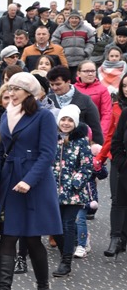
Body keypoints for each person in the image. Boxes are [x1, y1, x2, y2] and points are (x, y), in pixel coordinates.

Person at [0, 73, 62, 290]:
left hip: (34, 182)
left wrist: (29, 181)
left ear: (29, 93)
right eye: (9, 89)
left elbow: (47, 154)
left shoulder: (43, 116)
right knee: (8, 236)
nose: (11, 93)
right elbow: (1, 150)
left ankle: (43, 288)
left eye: (16, 89)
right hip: (10, 179)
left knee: (31, 237)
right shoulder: (6, 114)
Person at [51, 105, 93, 278]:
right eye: (63, 119)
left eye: (70, 120)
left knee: (68, 224)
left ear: (75, 123)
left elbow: (87, 166)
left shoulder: (81, 141)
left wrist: (75, 182)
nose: (66, 123)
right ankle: (64, 254)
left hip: (73, 192)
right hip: (53, 190)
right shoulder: (52, 138)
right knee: (55, 226)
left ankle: (66, 262)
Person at [46, 65, 104, 144]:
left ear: (68, 81)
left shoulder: (85, 100)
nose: (54, 88)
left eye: (58, 84)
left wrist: (96, 147)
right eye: (52, 85)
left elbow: (96, 130)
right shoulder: (48, 100)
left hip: (80, 147)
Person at [107, 74, 127, 258]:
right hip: (123, 164)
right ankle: (115, 238)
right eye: (125, 86)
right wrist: (121, 162)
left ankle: (122, 238)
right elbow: (116, 140)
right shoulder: (123, 111)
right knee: (118, 200)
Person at [51, 9, 95, 78]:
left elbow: (91, 42)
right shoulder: (61, 29)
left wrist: (87, 51)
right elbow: (54, 41)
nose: (74, 20)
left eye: (76, 18)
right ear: (69, 19)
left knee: (78, 79)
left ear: (79, 19)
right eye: (72, 18)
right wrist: (61, 52)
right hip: (65, 61)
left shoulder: (86, 29)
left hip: (80, 60)